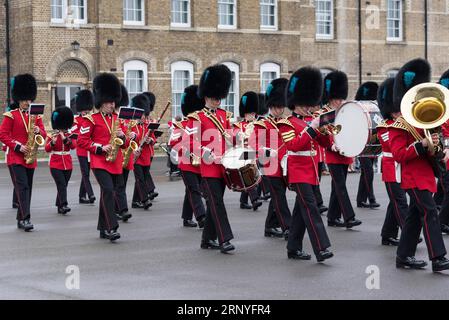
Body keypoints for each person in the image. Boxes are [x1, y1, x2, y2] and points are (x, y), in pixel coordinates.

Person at [390, 58, 449, 272]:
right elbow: (398, 154)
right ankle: (438, 257)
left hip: (425, 176)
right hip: (413, 177)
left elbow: (436, 147)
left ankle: (404, 256)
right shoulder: (399, 126)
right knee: (430, 212)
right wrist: (421, 144)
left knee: (415, 217)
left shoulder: (424, 122)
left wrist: (437, 145)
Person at [278, 67, 334, 262]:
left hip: (311, 171)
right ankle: (322, 248)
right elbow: (293, 145)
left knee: (301, 212)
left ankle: (293, 247)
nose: (306, 107)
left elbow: (325, 144)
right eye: (302, 104)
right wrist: (312, 128)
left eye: (307, 104)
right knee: (311, 208)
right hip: (298, 171)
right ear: (294, 104)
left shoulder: (311, 121)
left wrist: (327, 132)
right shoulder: (286, 123)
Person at [185, 64, 235, 253]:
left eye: (219, 97)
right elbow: (190, 142)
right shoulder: (196, 117)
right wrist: (207, 152)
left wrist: (238, 137)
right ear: (206, 96)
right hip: (208, 166)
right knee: (217, 202)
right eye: (214, 98)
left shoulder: (225, 116)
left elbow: (231, 134)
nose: (217, 101)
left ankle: (207, 239)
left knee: (216, 201)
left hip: (224, 166)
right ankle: (224, 239)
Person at [78, 73, 128, 242]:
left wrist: (123, 136)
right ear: (100, 102)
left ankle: (102, 227)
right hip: (99, 161)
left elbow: (125, 143)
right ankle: (111, 227)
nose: (112, 104)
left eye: (113, 101)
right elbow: (82, 141)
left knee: (109, 194)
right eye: (108, 102)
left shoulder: (117, 119)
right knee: (107, 190)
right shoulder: (91, 119)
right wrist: (99, 148)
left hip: (115, 161)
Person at [0, 74, 47, 231]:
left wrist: (38, 130)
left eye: (29, 99)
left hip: (30, 157)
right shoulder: (11, 116)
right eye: (25, 99)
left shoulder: (36, 116)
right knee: (22, 187)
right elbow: (3, 135)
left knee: (28, 187)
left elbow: (44, 135)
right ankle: (26, 218)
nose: (28, 102)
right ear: (18, 99)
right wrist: (18, 146)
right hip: (15, 157)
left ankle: (21, 217)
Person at [252, 78, 291, 239]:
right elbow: (253, 143)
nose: (279, 110)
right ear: (270, 106)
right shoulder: (263, 124)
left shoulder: (286, 123)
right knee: (280, 197)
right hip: (270, 165)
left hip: (284, 166)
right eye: (276, 107)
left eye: (281, 107)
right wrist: (265, 150)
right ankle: (288, 227)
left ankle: (270, 227)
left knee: (277, 197)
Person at [322, 71, 362, 229]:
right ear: (331, 98)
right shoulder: (325, 114)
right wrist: (331, 144)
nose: (339, 101)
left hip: (345, 154)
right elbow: (324, 133)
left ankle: (332, 217)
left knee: (337, 186)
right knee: (340, 186)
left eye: (340, 98)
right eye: (337, 98)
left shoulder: (345, 111)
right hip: (333, 155)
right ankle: (349, 217)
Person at [376, 78, 408, 246]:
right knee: (401, 202)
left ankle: (387, 234)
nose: (399, 114)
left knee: (394, 202)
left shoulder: (402, 125)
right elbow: (390, 145)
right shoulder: (385, 127)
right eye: (396, 112)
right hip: (390, 168)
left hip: (402, 167)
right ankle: (408, 232)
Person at [169, 85, 206, 228]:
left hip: (200, 162)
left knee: (190, 190)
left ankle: (186, 217)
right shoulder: (181, 125)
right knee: (194, 189)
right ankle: (201, 217)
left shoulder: (201, 124)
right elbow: (173, 141)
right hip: (186, 162)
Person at [235, 91, 263, 211]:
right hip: (243, 154)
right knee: (248, 175)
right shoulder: (238, 126)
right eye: (248, 113)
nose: (250, 115)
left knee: (254, 176)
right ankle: (255, 199)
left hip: (255, 153)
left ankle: (243, 201)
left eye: (252, 113)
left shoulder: (258, 125)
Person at [45, 107, 76, 215]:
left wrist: (65, 139)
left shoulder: (69, 135)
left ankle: (59, 205)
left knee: (63, 185)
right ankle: (64, 204)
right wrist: (52, 143)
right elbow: (47, 149)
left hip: (67, 163)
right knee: (61, 184)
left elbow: (73, 146)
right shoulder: (52, 135)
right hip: (55, 164)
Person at [355, 82, 381, 209]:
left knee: (365, 173)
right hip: (361, 145)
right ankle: (371, 198)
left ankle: (360, 200)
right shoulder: (358, 110)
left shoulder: (375, 110)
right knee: (368, 172)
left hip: (372, 143)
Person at [113, 85, 134, 222]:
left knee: (122, 185)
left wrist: (133, 135)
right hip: (115, 155)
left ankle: (119, 208)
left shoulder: (126, 119)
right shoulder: (114, 119)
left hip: (126, 154)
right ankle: (121, 209)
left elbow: (131, 134)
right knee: (117, 186)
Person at [73, 89, 96, 205]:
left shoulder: (92, 120)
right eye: (83, 110)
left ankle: (82, 196)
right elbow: (73, 134)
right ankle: (90, 194)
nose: (85, 112)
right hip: (82, 151)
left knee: (86, 173)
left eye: (87, 110)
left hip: (90, 150)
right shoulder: (76, 121)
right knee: (85, 173)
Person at [131, 94, 154, 211]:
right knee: (140, 179)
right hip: (136, 156)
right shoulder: (132, 126)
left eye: (144, 115)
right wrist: (133, 137)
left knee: (142, 179)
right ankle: (145, 200)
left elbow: (154, 139)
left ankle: (135, 201)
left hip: (146, 156)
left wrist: (150, 140)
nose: (143, 117)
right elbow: (128, 140)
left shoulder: (148, 126)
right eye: (141, 115)